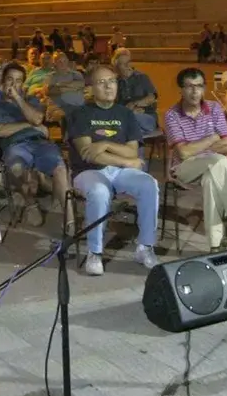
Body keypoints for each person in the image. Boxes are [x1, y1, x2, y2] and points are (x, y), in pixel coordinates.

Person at [68, 65, 160, 276]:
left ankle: (145, 247)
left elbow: (132, 150)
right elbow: (88, 154)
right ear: (91, 88)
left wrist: (104, 144)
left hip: (119, 171)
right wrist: (127, 162)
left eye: (112, 81)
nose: (109, 86)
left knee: (149, 184)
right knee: (99, 191)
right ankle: (95, 252)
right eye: (102, 82)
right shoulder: (81, 114)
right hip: (88, 171)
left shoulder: (125, 114)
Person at [165, 68, 227, 251]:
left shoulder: (215, 108)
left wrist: (196, 146)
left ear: (204, 88)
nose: (195, 92)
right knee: (222, 162)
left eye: (199, 86)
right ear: (180, 90)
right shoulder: (172, 115)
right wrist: (211, 139)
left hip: (214, 165)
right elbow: (184, 153)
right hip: (185, 168)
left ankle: (215, 246)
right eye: (189, 86)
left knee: (212, 178)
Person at [0, 63, 74, 231]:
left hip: (39, 143)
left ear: (23, 84)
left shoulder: (32, 100)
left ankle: (70, 219)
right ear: (3, 81)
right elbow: (0, 131)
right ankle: (31, 204)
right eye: (10, 80)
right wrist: (30, 126)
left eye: (18, 81)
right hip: (14, 146)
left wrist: (19, 99)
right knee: (16, 168)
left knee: (59, 168)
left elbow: (37, 119)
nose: (13, 85)